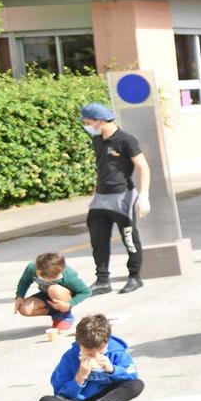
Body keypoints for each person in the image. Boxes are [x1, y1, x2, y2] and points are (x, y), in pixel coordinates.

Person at [80, 101, 149, 294]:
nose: (86, 126)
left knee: (129, 238)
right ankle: (102, 280)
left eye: (88, 122)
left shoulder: (126, 140)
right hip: (101, 197)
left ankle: (135, 277)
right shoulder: (97, 140)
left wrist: (144, 195)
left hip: (123, 196)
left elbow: (143, 166)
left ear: (100, 121)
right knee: (98, 238)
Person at [40, 313, 145, 401]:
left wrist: (112, 369)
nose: (95, 355)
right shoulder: (69, 357)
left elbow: (132, 376)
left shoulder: (116, 352)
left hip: (107, 396)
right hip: (78, 400)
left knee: (137, 385)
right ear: (80, 344)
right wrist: (80, 378)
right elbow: (60, 392)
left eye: (100, 351)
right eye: (89, 353)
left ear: (107, 342)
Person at [13, 251, 91, 335]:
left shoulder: (68, 275)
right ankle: (56, 314)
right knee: (24, 309)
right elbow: (24, 281)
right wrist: (19, 296)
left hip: (63, 295)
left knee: (53, 289)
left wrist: (69, 304)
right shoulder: (32, 268)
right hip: (46, 294)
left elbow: (86, 292)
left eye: (52, 278)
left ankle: (66, 316)